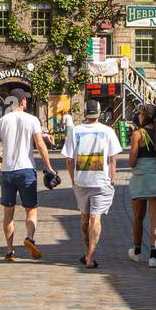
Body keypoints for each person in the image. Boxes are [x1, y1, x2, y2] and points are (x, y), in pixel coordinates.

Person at [0, 91, 56, 261]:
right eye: (26, 99)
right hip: (26, 169)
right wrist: (49, 167)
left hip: (7, 171)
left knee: (8, 212)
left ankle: (10, 250)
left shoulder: (1, 121)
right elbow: (40, 145)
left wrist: (1, 159)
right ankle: (30, 238)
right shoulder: (32, 120)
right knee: (31, 209)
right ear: (22, 100)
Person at [62, 100, 123, 269]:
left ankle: (86, 251)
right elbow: (113, 159)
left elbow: (69, 159)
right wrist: (112, 179)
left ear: (85, 113)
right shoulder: (108, 131)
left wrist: (73, 179)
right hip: (101, 180)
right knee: (95, 217)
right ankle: (90, 256)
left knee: (84, 217)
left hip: (81, 180)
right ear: (99, 112)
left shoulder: (75, 131)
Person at [127, 103, 156, 267]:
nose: (138, 116)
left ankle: (137, 251)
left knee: (138, 216)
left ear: (144, 116)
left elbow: (132, 162)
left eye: (140, 114)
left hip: (140, 177)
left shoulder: (137, 134)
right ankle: (154, 257)